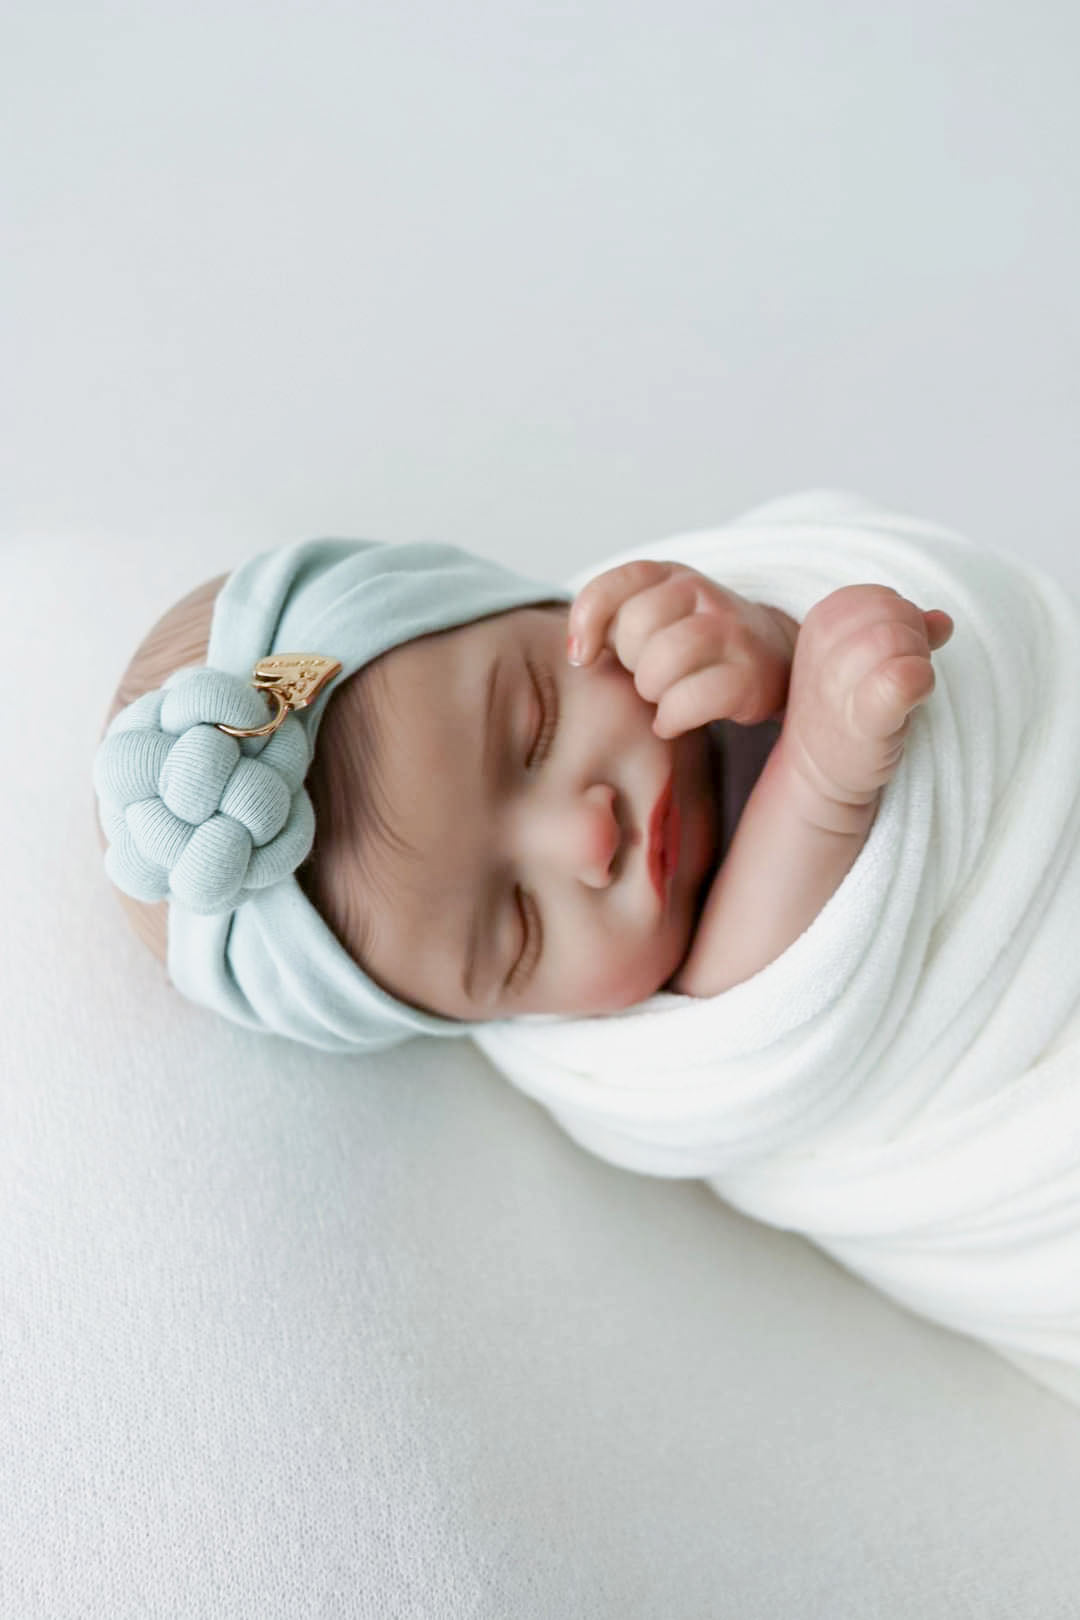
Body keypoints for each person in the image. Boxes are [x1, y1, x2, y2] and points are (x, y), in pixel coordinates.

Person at [92, 530, 952, 1050]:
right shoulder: (628, 1060)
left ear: (532, 608)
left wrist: (770, 640)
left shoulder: (679, 604)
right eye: (517, 931)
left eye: (533, 726)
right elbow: (751, 1009)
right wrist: (814, 780)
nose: (588, 840)